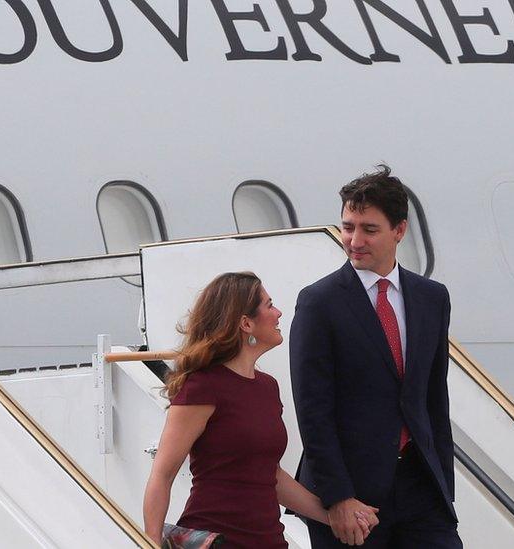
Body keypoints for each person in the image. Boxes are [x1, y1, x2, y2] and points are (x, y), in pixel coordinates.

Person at [290, 166, 462, 548]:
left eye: (369, 229)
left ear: (399, 230)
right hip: (351, 496)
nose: (353, 240)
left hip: (421, 491)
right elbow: (312, 409)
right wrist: (337, 498)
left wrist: (443, 487)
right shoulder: (319, 302)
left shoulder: (432, 298)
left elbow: (434, 399)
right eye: (347, 227)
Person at [143, 272, 378, 548]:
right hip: (218, 539)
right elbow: (163, 474)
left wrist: (335, 515)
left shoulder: (267, 387)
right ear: (245, 323)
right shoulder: (202, 387)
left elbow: (271, 476)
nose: (278, 313)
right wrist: (150, 542)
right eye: (269, 305)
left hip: (269, 540)